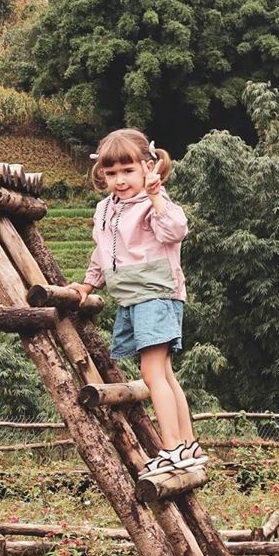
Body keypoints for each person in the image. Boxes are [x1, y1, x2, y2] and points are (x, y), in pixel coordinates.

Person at [68, 128, 207, 476]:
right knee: (164, 373)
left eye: (128, 171)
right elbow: (102, 253)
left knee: (151, 373)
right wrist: (87, 284)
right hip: (133, 297)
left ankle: (172, 448)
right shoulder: (104, 209)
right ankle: (187, 445)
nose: (119, 180)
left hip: (156, 294)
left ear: (147, 167)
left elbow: (176, 231)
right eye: (111, 173)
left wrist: (156, 195)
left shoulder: (152, 204)